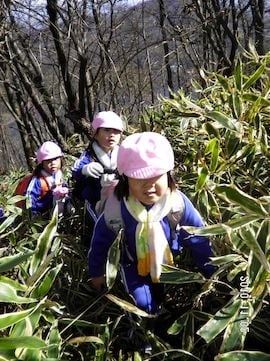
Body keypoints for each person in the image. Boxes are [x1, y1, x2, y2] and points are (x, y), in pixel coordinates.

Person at [88, 132, 216, 315]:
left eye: (156, 177)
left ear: (169, 175)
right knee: (143, 304)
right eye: (139, 179)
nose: (149, 186)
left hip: (170, 262)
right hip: (132, 264)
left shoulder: (176, 204)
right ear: (125, 179)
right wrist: (97, 273)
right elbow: (99, 244)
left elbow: (199, 237)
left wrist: (210, 269)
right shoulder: (116, 210)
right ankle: (148, 328)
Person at [72, 110, 124, 243]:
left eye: (116, 131)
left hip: (119, 197)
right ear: (96, 134)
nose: (112, 135)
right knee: (99, 226)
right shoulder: (89, 155)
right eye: (106, 130)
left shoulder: (123, 152)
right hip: (94, 199)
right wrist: (84, 169)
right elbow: (76, 168)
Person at [23, 141, 70, 216]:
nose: (53, 163)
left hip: (53, 210)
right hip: (40, 214)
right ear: (42, 163)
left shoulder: (58, 175)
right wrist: (33, 217)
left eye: (55, 159)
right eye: (48, 160)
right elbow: (28, 199)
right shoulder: (38, 180)